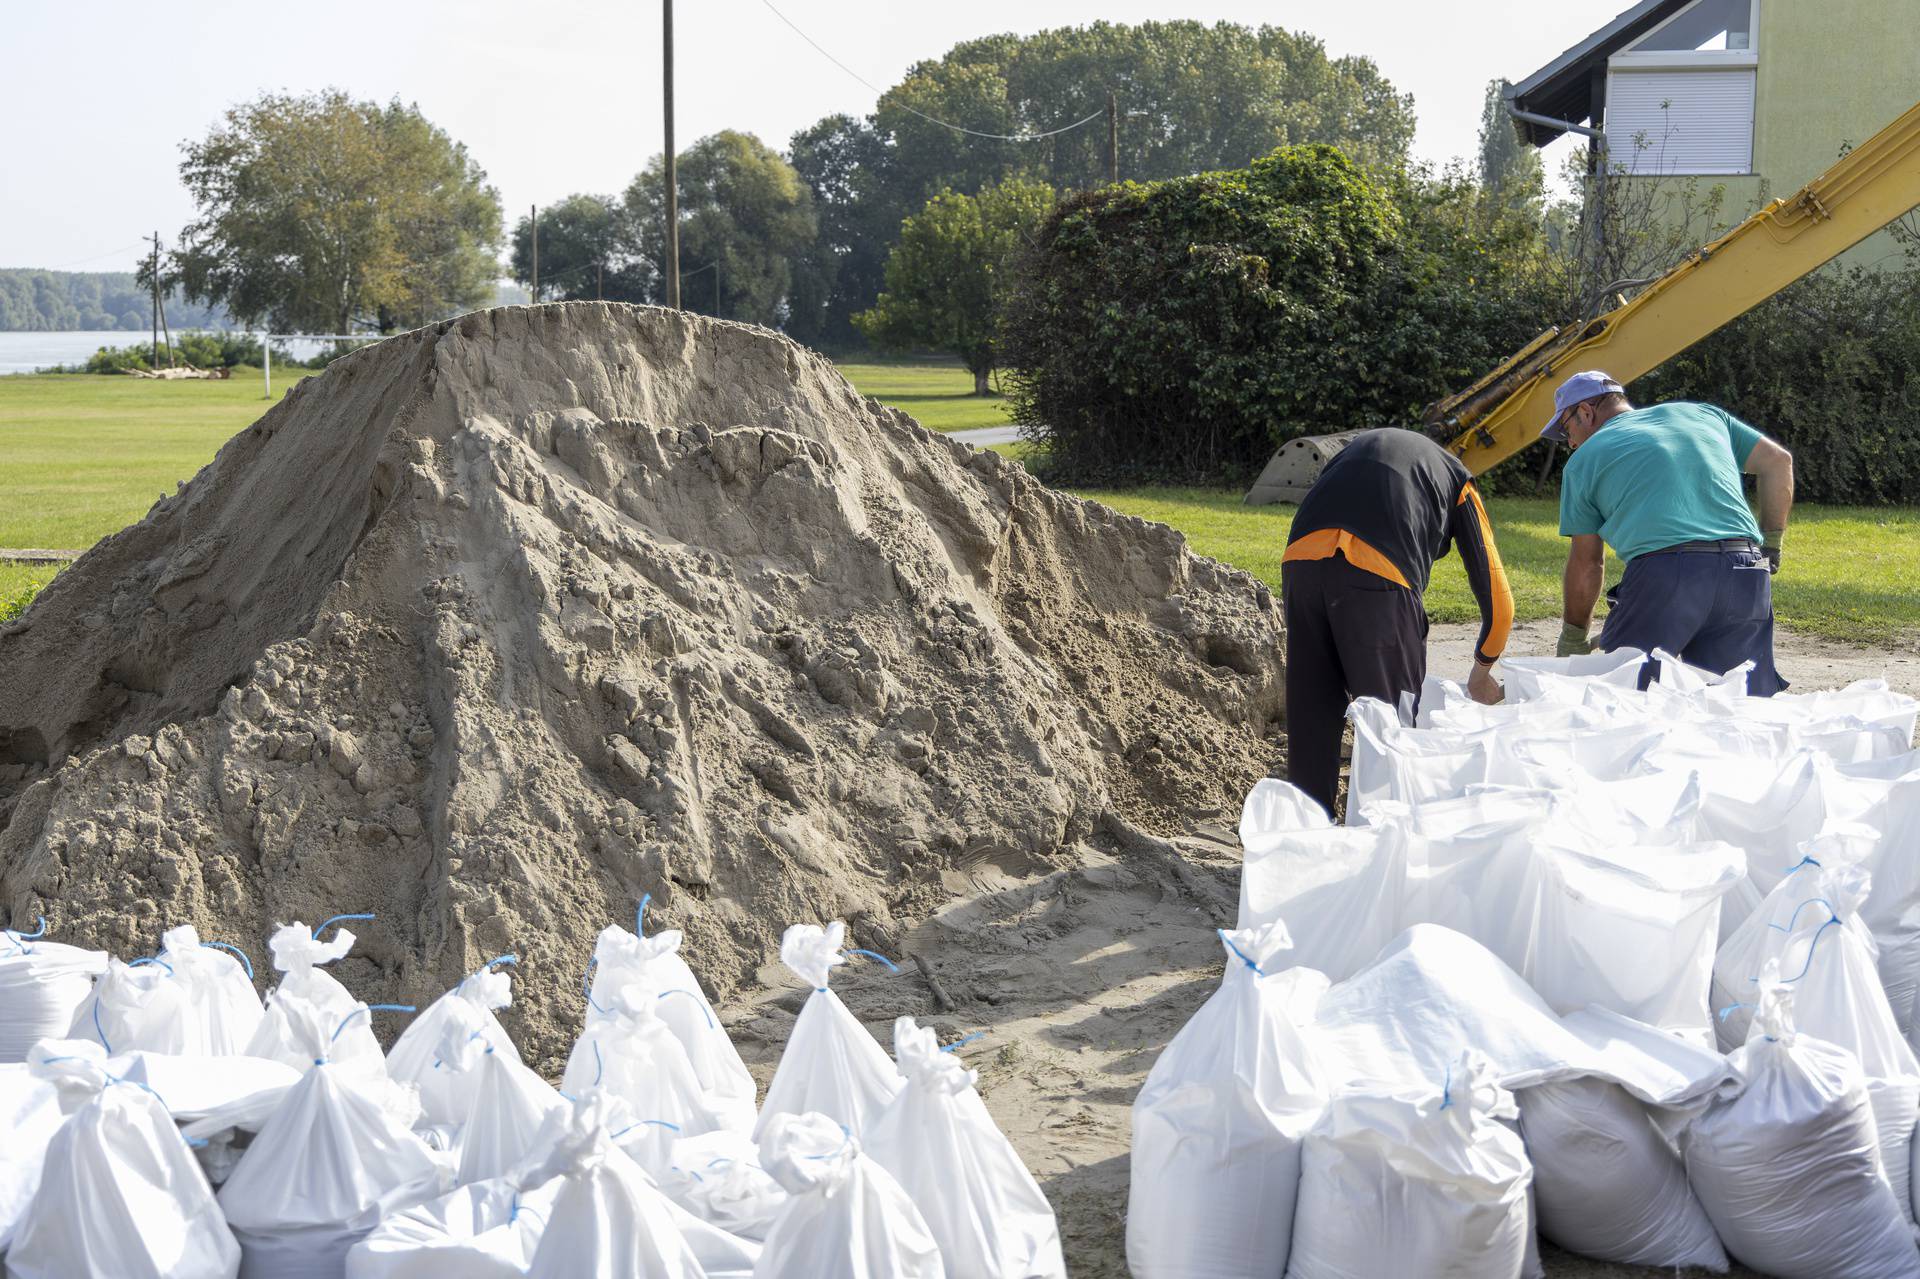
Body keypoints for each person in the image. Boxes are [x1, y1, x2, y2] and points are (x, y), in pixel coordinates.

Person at [1281, 427, 1513, 817]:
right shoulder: (1460, 482)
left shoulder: (1352, 454)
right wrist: (1482, 669)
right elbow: (1498, 598)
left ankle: (1307, 836)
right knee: (1390, 723)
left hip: (1300, 563)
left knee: (1313, 711)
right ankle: (1382, 837)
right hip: (1378, 577)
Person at [1546, 370, 1794, 694]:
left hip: (1666, 575)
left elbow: (1588, 565)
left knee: (1623, 696)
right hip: (1746, 572)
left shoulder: (1582, 462)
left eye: (1567, 430)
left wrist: (1573, 637)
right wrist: (1771, 544)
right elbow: (1778, 461)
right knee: (1736, 703)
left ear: (1586, 412)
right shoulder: (1704, 415)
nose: (1571, 443)